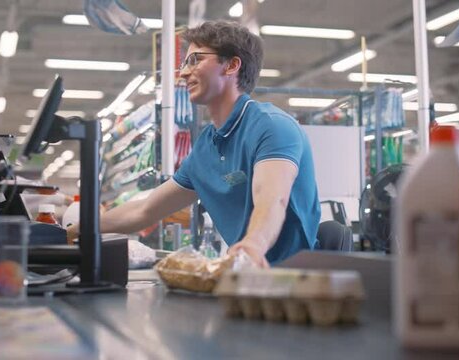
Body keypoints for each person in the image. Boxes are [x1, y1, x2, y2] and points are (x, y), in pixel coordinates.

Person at [70, 21, 320, 266]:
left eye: (196, 59)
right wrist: (75, 230)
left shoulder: (272, 126)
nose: (184, 72)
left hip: (294, 280)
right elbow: (144, 211)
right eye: (184, 63)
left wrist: (252, 246)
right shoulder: (206, 147)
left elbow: (271, 200)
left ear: (232, 65)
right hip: (245, 275)